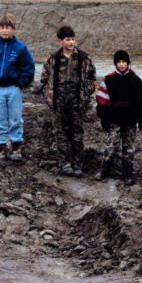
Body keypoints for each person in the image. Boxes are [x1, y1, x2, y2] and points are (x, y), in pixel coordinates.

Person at [39, 25, 97, 177]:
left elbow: (92, 79)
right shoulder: (54, 58)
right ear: (60, 41)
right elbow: (44, 77)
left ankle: (78, 165)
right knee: (60, 132)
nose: (71, 42)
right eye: (67, 39)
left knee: (77, 133)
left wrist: (85, 93)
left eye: (73, 39)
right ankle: (65, 164)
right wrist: (49, 94)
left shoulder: (84, 58)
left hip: (77, 102)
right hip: (58, 101)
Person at [0, 14, 35, 161]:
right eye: (2, 27)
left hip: (14, 89)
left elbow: (29, 67)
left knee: (16, 118)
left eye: (8, 27)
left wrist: (20, 84)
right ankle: (0, 147)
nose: (5, 31)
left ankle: (16, 147)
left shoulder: (20, 48)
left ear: (13, 29)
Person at [95, 50, 142, 185]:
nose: (121, 64)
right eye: (118, 62)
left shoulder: (136, 80)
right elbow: (102, 101)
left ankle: (128, 174)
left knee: (129, 148)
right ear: (115, 63)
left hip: (131, 120)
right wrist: (104, 118)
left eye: (123, 62)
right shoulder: (108, 79)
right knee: (111, 146)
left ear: (128, 63)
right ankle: (104, 170)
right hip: (115, 120)